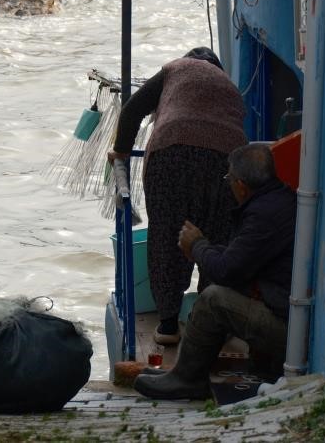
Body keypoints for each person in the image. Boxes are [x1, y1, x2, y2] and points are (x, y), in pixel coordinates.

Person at [133, 143, 298, 400]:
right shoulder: (276, 200)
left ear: (240, 185)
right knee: (219, 289)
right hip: (285, 313)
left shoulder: (263, 214)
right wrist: (204, 248)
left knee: (213, 299)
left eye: (228, 179)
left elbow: (225, 270)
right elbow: (237, 257)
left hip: (286, 328)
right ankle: (185, 370)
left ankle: (187, 379)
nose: (228, 185)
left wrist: (197, 245)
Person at [108, 47, 246, 344]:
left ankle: (168, 326)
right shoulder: (230, 86)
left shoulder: (175, 69)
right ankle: (210, 324)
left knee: (166, 236)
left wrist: (121, 150)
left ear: (189, 59)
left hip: (171, 152)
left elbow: (133, 109)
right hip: (226, 161)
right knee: (218, 237)